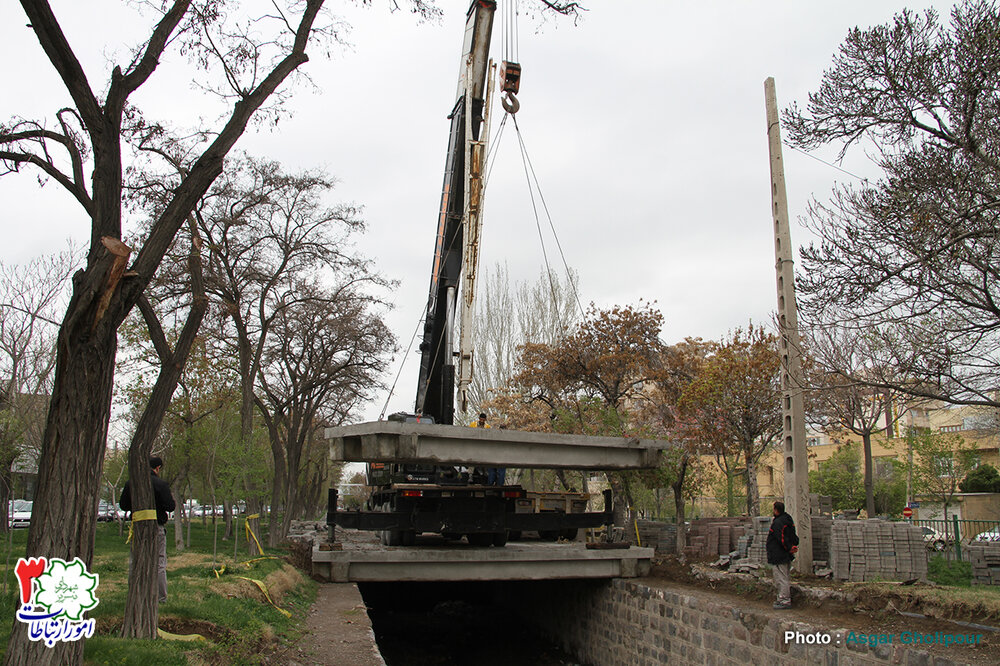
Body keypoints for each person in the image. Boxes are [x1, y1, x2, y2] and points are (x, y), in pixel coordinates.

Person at [120, 456, 176, 603]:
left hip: (138, 527)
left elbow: (123, 505)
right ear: (157, 468)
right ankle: (160, 598)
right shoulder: (160, 484)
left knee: (136, 561)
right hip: (156, 527)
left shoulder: (131, 483)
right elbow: (170, 506)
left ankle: (134, 594)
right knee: (159, 563)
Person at [766, 500, 799, 610]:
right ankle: (783, 598)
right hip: (785, 554)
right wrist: (793, 545)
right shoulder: (788, 519)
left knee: (781, 578)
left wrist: (789, 547)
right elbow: (793, 535)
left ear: (776, 510)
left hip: (778, 555)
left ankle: (784, 600)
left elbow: (781, 539)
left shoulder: (778, 523)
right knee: (785, 576)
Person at [470, 412, 506, 485]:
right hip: (475, 446)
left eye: (483, 420)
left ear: (485, 419)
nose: (482, 421)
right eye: (481, 419)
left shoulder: (488, 427)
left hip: (484, 449)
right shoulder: (473, 425)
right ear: (479, 419)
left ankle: (490, 481)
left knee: (490, 468)